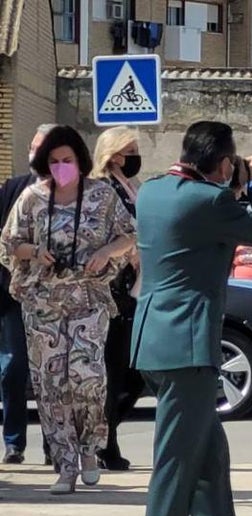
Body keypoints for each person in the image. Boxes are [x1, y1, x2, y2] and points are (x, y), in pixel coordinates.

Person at [131, 120, 252, 516]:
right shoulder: (211, 201)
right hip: (187, 346)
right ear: (222, 163)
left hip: (154, 340)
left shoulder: (153, 192)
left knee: (209, 459)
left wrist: (231, 183)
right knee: (177, 463)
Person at [0, 125, 136, 494]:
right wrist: (34, 253)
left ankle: (90, 449)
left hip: (88, 299)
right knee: (50, 384)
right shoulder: (31, 198)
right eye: (55, 161)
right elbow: (10, 242)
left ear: (81, 161)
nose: (61, 167)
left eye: (68, 160)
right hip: (43, 302)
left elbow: (129, 235)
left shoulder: (101, 196)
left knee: (87, 378)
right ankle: (64, 463)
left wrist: (107, 252)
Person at [90, 125, 148, 472]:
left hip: (135, 288)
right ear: (113, 156)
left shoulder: (132, 188)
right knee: (113, 371)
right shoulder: (102, 190)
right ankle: (106, 444)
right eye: (131, 150)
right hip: (111, 290)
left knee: (136, 373)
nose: (136, 157)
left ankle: (104, 434)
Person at [0, 123, 53, 465]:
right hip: (14, 294)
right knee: (14, 367)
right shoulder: (14, 188)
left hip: (55, 296)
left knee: (50, 372)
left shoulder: (71, 191)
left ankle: (55, 444)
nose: (37, 153)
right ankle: (14, 442)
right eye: (35, 147)